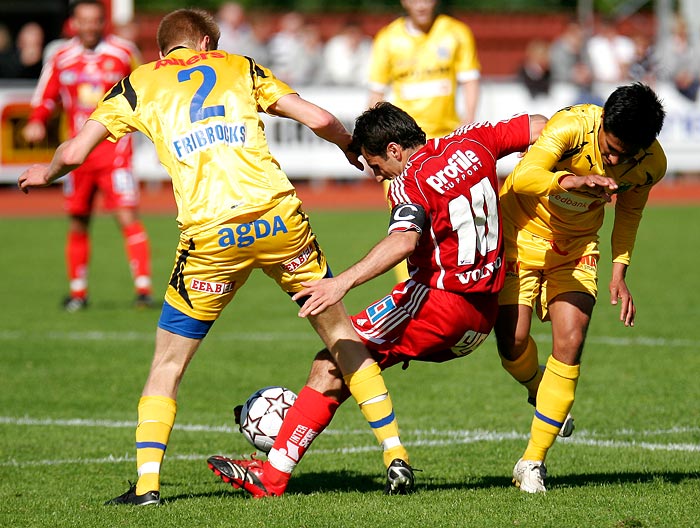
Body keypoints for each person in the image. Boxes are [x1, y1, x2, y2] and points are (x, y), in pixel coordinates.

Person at [18, 8, 410, 507]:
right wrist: (348, 148)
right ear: (203, 42)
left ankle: (147, 486)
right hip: (278, 222)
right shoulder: (239, 66)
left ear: (165, 50)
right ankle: (394, 452)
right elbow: (320, 118)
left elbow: (74, 154)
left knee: (168, 363)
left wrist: (46, 173)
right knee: (339, 334)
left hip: (211, 237)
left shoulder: (137, 84)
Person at [206, 102, 548, 498]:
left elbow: (404, 240)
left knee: (336, 356)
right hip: (483, 312)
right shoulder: (475, 139)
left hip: (439, 304)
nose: (375, 174)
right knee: (348, 361)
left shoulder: (410, 182)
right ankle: (381, 456)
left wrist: (342, 283)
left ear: (394, 149)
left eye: (374, 163)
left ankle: (274, 477)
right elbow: (541, 126)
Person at [495, 83, 666, 493]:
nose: (612, 160)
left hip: (576, 248)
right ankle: (539, 387)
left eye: (623, 156)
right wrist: (570, 181)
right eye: (608, 149)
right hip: (521, 232)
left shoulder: (651, 165)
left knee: (570, 342)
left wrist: (620, 270)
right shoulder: (571, 125)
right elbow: (522, 176)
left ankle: (532, 462)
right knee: (512, 343)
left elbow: (630, 212)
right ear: (603, 120)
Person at [22, 0, 152, 311]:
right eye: (84, 21)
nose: (90, 26)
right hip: (76, 155)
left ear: (102, 22)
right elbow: (46, 95)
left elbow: (146, 87)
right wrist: (37, 121)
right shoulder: (61, 57)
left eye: (95, 20)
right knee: (78, 219)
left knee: (127, 216)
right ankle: (78, 293)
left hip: (115, 151)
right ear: (74, 23)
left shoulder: (122, 52)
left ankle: (143, 290)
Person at [367, 0, 481, 283]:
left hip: (442, 143)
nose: (421, 4)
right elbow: (376, 94)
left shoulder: (456, 33)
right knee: (405, 223)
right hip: (400, 148)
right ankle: (409, 287)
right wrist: (373, 145)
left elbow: (470, 81)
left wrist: (467, 121)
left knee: (449, 218)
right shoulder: (387, 39)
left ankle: (451, 282)